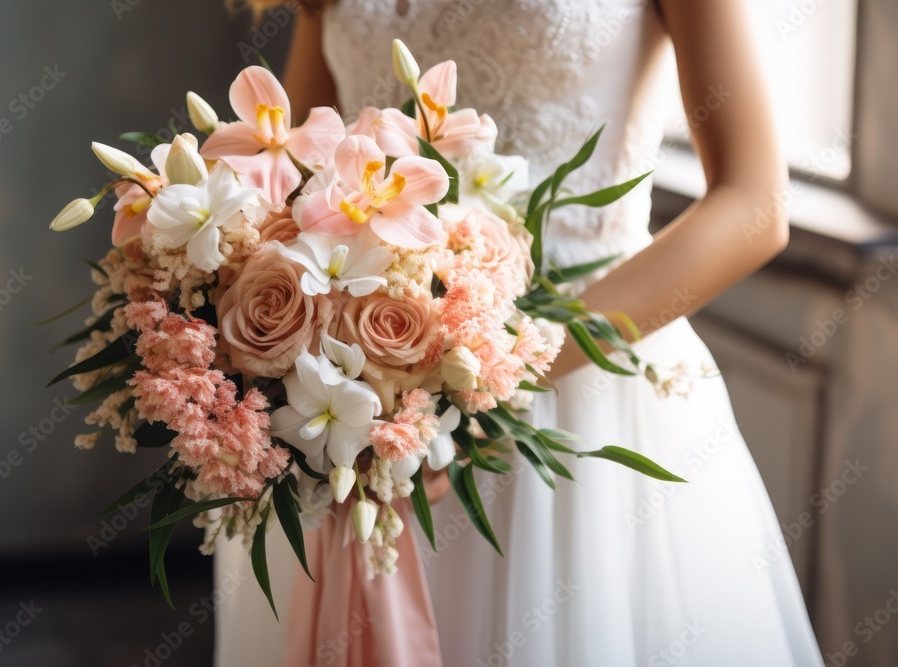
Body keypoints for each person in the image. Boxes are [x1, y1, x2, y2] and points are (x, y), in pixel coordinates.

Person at [215, 1, 824, 664]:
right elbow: (297, 175)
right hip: (363, 396)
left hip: (574, 388)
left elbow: (755, 204)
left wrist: (490, 373)